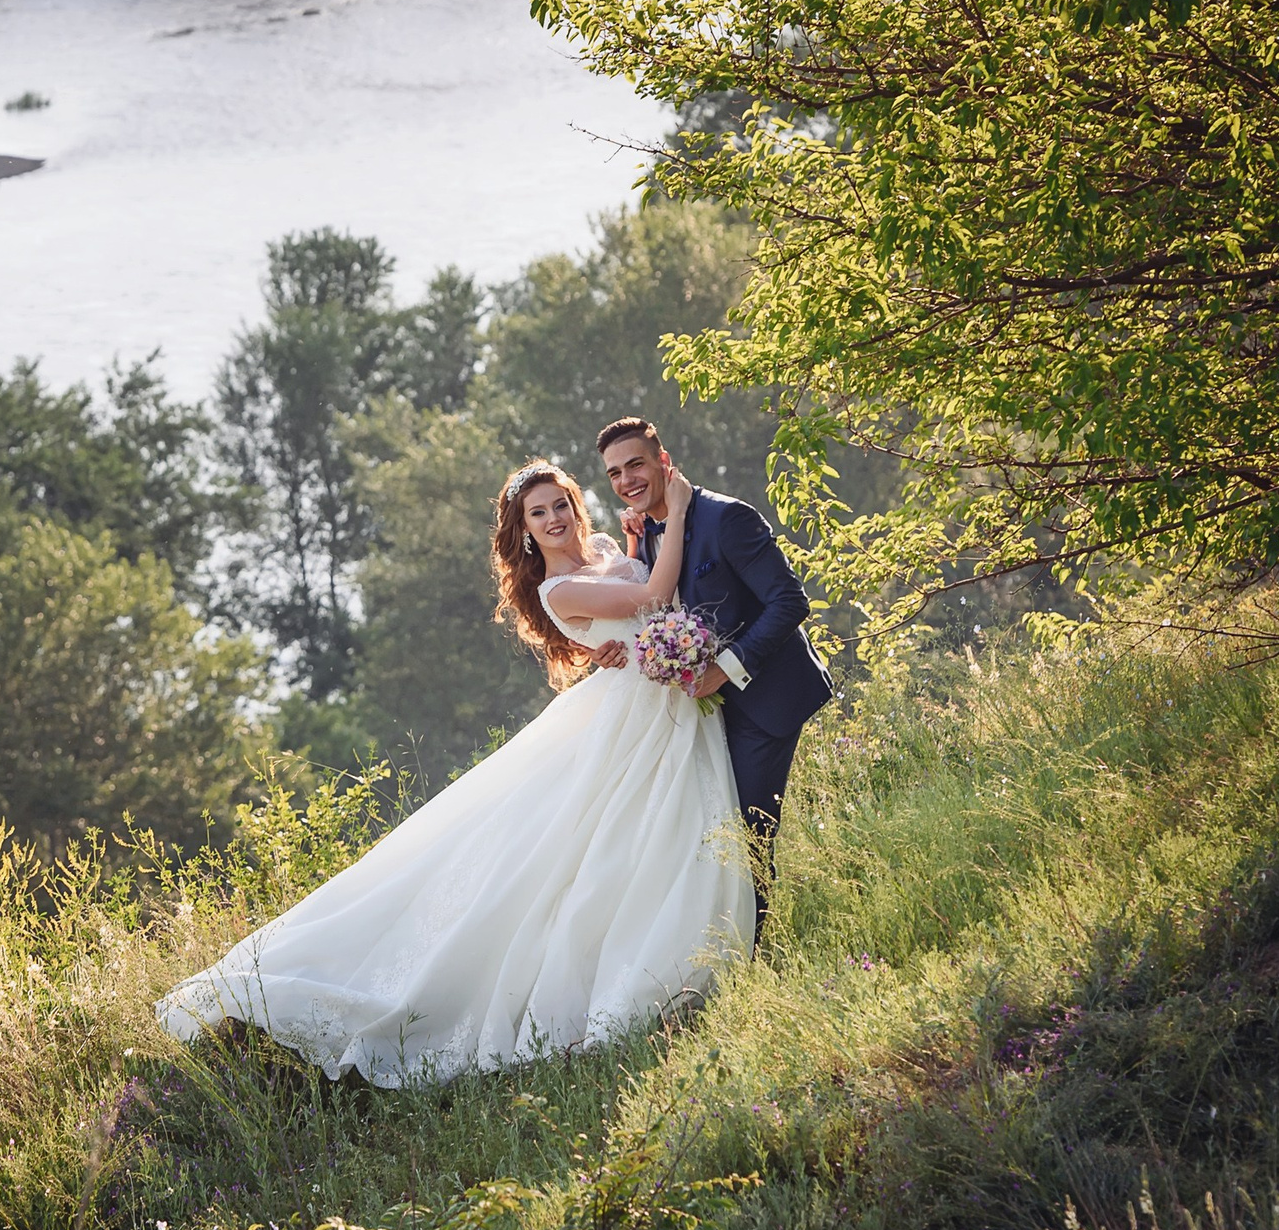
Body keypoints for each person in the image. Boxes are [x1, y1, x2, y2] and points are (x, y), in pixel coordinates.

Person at [157, 460, 752, 1085]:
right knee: (595, 839)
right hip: (631, 710)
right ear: (523, 531)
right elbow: (654, 598)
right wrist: (678, 510)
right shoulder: (557, 590)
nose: (553, 520)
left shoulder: (606, 547)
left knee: (657, 825)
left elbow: (635, 598)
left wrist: (635, 545)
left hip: (656, 696)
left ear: (578, 506)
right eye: (538, 514)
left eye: (560, 505)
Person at [596, 417, 833, 937]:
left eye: (636, 464)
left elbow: (790, 602)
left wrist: (723, 672)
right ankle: (723, 950)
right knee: (704, 831)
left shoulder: (726, 518)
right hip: (703, 716)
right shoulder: (651, 533)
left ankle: (755, 956)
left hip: (764, 698)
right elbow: (653, 607)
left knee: (746, 834)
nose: (626, 480)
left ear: (663, 461)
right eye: (614, 473)